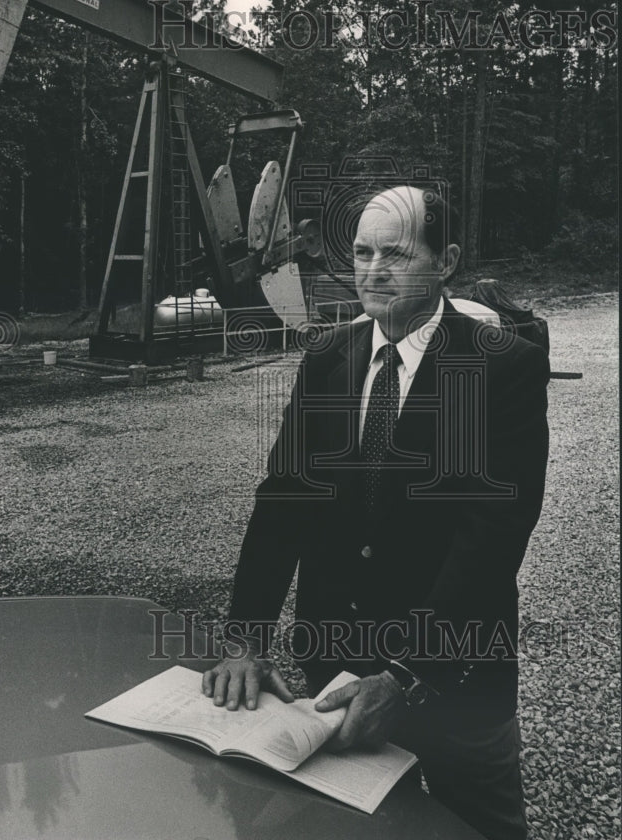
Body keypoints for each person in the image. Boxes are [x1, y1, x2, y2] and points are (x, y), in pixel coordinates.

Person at [202, 183, 550, 840]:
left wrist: (406, 676)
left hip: (457, 683)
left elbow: (491, 538)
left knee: (480, 826)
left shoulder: (504, 369)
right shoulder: (330, 358)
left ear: (445, 260)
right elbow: (283, 502)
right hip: (333, 669)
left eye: (395, 254)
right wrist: (246, 640)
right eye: (362, 252)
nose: (373, 271)